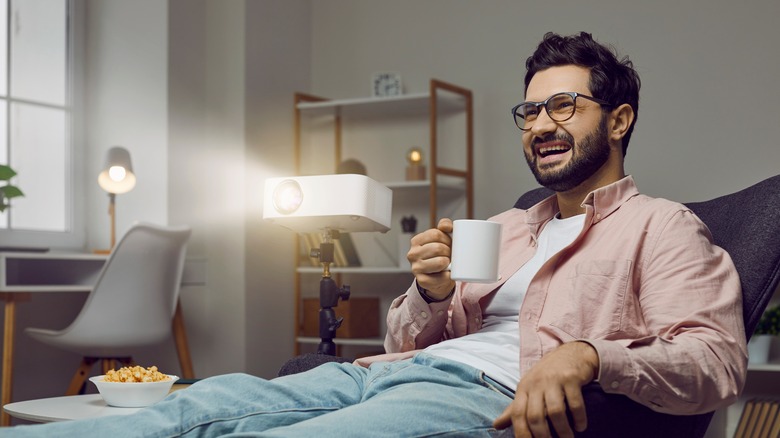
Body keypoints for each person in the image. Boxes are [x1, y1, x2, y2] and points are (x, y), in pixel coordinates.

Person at [3, 31, 745, 438]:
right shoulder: (507, 226)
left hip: (480, 396)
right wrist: (427, 291)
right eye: (529, 113)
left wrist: (586, 355)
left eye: (563, 106)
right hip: (383, 374)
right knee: (190, 411)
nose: (541, 125)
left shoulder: (662, 226)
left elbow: (714, 361)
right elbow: (402, 341)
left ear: (618, 120)